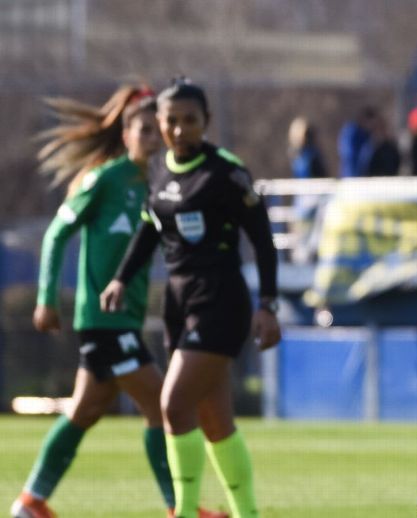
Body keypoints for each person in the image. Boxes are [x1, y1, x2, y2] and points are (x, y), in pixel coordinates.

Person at [12, 84, 225, 518]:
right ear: (126, 135)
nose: (152, 138)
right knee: (161, 405)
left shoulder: (163, 184)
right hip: (103, 320)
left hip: (122, 320)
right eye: (142, 130)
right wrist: (46, 299)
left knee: (85, 411)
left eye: (155, 131)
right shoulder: (104, 180)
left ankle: (31, 502)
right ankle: (178, 507)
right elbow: (56, 233)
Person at [101, 79, 282, 518]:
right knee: (215, 420)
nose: (180, 130)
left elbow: (262, 242)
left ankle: (182, 512)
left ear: (206, 122)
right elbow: (149, 230)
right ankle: (247, 513)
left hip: (221, 302)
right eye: (171, 122)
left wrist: (268, 306)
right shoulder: (159, 170)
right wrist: (120, 279)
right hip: (178, 304)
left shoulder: (226, 172)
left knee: (173, 403)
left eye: (190, 121)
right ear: (160, 123)